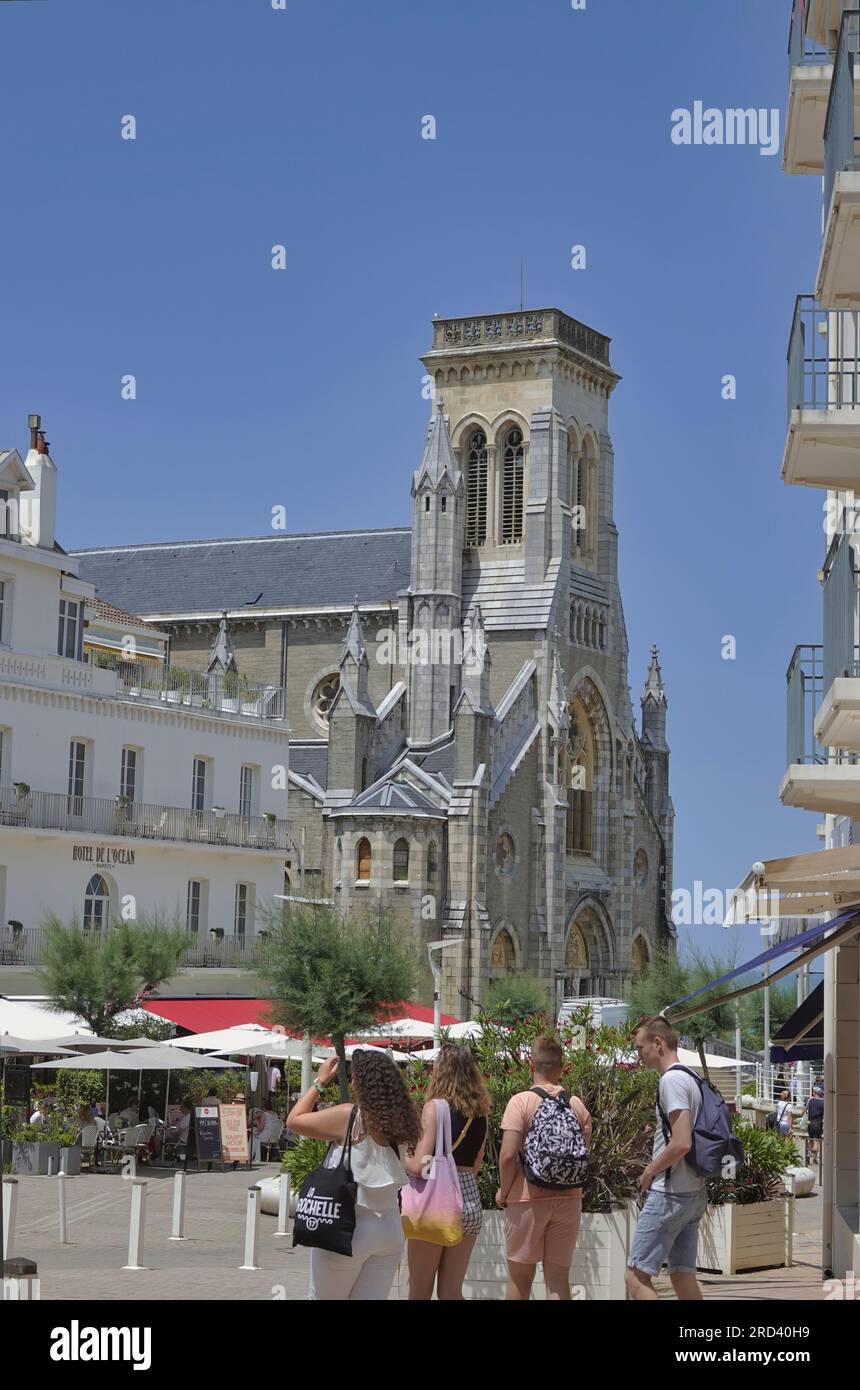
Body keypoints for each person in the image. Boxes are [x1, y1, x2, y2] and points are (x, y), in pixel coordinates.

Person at [287, 1049, 421, 1300]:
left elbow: (294, 1120)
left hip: (349, 1226)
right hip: (390, 1229)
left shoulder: (349, 1117)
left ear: (361, 1082)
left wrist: (321, 1081)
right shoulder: (402, 1122)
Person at [495, 1034, 591, 1302]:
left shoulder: (521, 1102)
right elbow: (581, 1154)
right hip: (569, 1199)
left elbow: (508, 1156)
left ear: (531, 1064)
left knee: (520, 1281)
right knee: (559, 1282)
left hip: (527, 1198)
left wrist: (503, 1191)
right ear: (562, 1068)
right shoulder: (577, 1106)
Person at [625, 1016, 707, 1302]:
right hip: (694, 1192)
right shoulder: (691, 1077)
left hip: (670, 1194)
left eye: (640, 1047)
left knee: (635, 1275)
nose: (639, 1055)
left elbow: (682, 1142)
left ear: (657, 1043)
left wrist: (650, 1170)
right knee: (682, 1275)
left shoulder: (671, 1080)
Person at [404, 1043, 490, 1301]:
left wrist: (400, 1158)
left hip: (437, 1205)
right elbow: (475, 1166)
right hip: (469, 1202)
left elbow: (421, 1166)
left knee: (419, 1292)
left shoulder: (435, 1108)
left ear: (440, 1072)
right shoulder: (481, 1113)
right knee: (451, 1293)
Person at [806, 1085, 824, 1166]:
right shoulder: (822, 1102)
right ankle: (814, 1158)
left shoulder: (809, 1101)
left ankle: (808, 1157)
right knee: (817, 1142)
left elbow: (805, 1111)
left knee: (810, 1140)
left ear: (814, 1093)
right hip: (818, 1123)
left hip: (810, 1123)